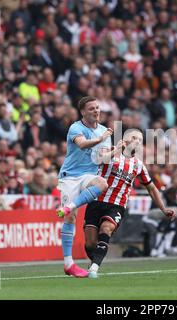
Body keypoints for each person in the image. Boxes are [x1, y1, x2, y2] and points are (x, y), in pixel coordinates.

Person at [83, 129, 176, 278]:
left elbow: (151, 188)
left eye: (139, 140)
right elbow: (99, 161)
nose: (137, 141)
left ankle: (94, 268)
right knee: (90, 243)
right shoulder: (109, 151)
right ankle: (95, 260)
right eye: (134, 138)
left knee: (106, 229)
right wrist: (116, 151)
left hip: (116, 205)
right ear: (125, 139)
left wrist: (164, 209)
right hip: (96, 202)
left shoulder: (138, 165)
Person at [56, 96, 113, 278]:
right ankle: (68, 264)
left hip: (88, 174)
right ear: (83, 112)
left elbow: (102, 158)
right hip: (70, 177)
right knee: (70, 219)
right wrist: (101, 138)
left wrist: (116, 150)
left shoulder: (104, 131)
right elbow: (81, 145)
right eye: (91, 109)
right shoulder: (76, 128)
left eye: (97, 107)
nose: (96, 111)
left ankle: (71, 205)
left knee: (102, 183)